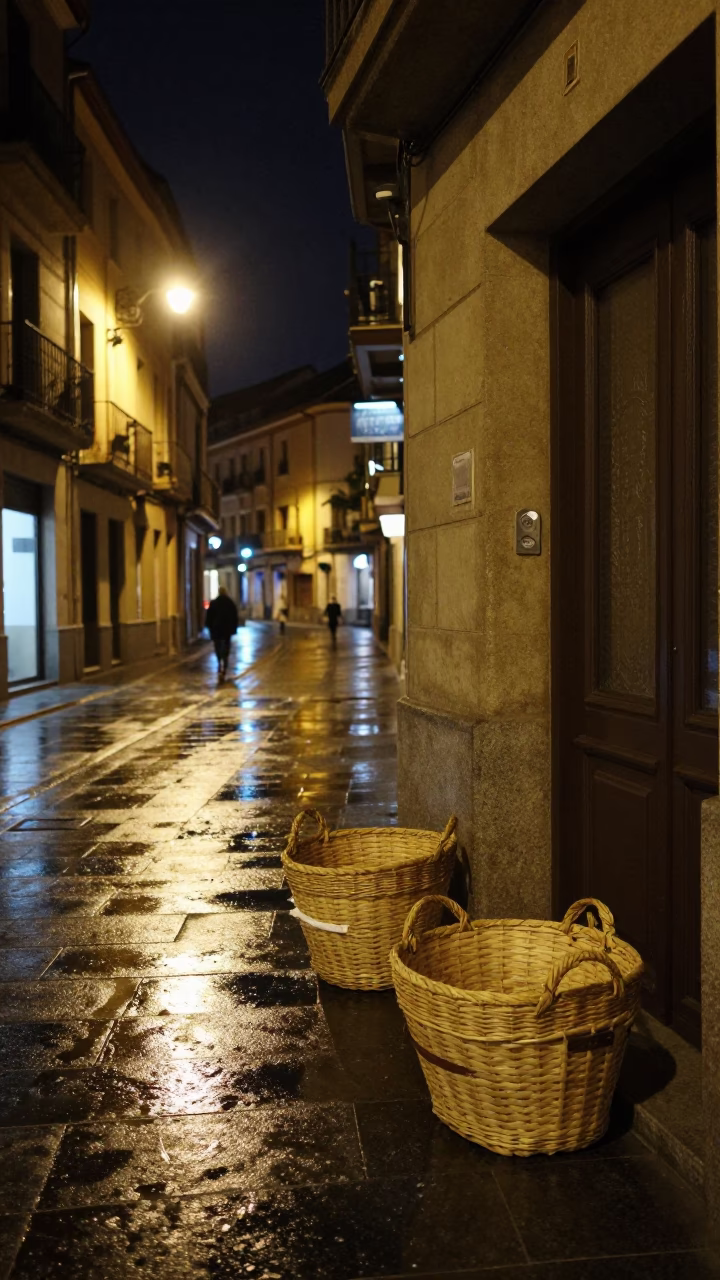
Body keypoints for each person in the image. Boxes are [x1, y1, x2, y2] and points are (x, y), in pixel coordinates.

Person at [204, 587, 239, 680]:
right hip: (227, 630)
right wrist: (234, 629)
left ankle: (219, 661)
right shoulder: (230, 603)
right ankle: (225, 663)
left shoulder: (214, 603)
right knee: (226, 647)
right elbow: (235, 617)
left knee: (217, 647)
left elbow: (209, 617)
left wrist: (209, 627)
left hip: (216, 629)